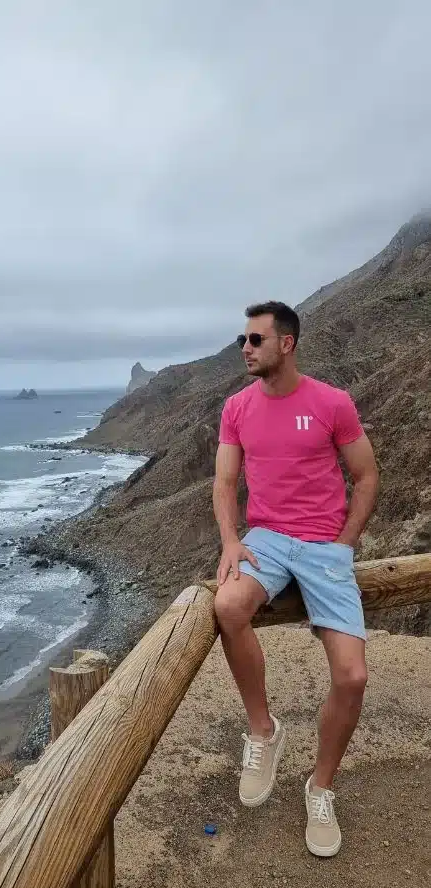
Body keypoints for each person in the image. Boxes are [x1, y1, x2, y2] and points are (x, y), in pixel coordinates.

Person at [212, 300, 379, 857]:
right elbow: (225, 481)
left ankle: (320, 787)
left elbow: (366, 474)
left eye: (256, 339)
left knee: (352, 676)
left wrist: (344, 546)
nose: (245, 348)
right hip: (265, 540)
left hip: (322, 547)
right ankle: (264, 730)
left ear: (287, 343)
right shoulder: (236, 407)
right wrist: (232, 542)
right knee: (229, 606)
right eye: (243, 339)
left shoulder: (332, 402)